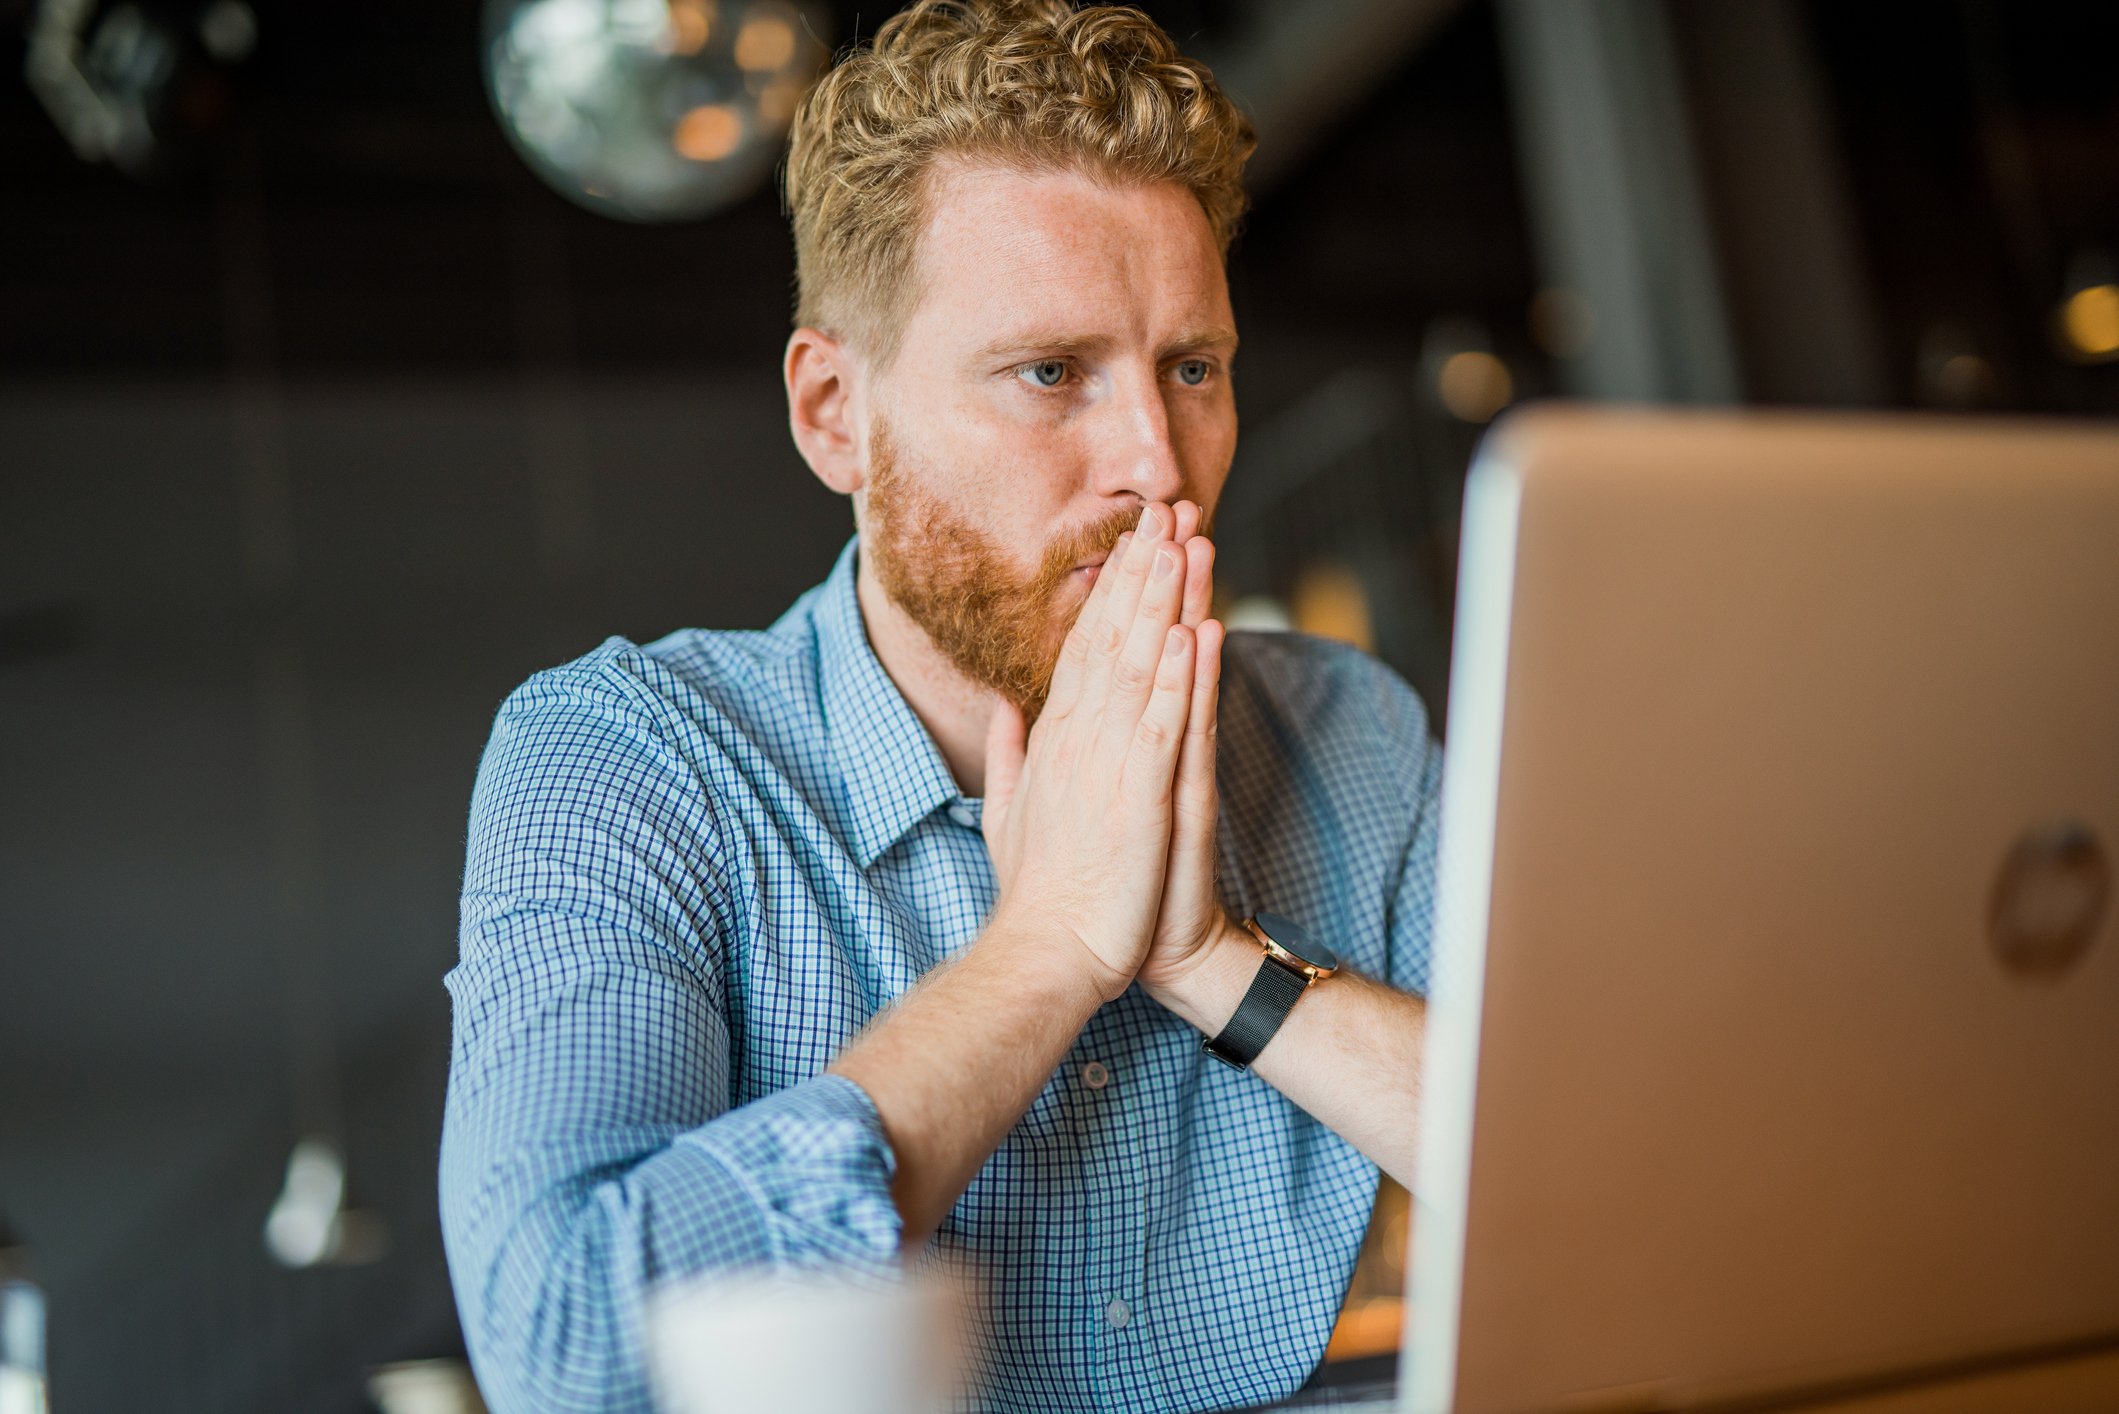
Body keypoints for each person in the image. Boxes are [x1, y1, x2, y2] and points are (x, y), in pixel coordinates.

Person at [438, 3, 1442, 1411]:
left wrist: (1213, 958)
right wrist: (1047, 946)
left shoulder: (1353, 730)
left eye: (1192, 368)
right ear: (836, 414)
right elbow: (571, 1348)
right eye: (1052, 373)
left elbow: (1619, 1169)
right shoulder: (626, 755)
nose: (1159, 463)